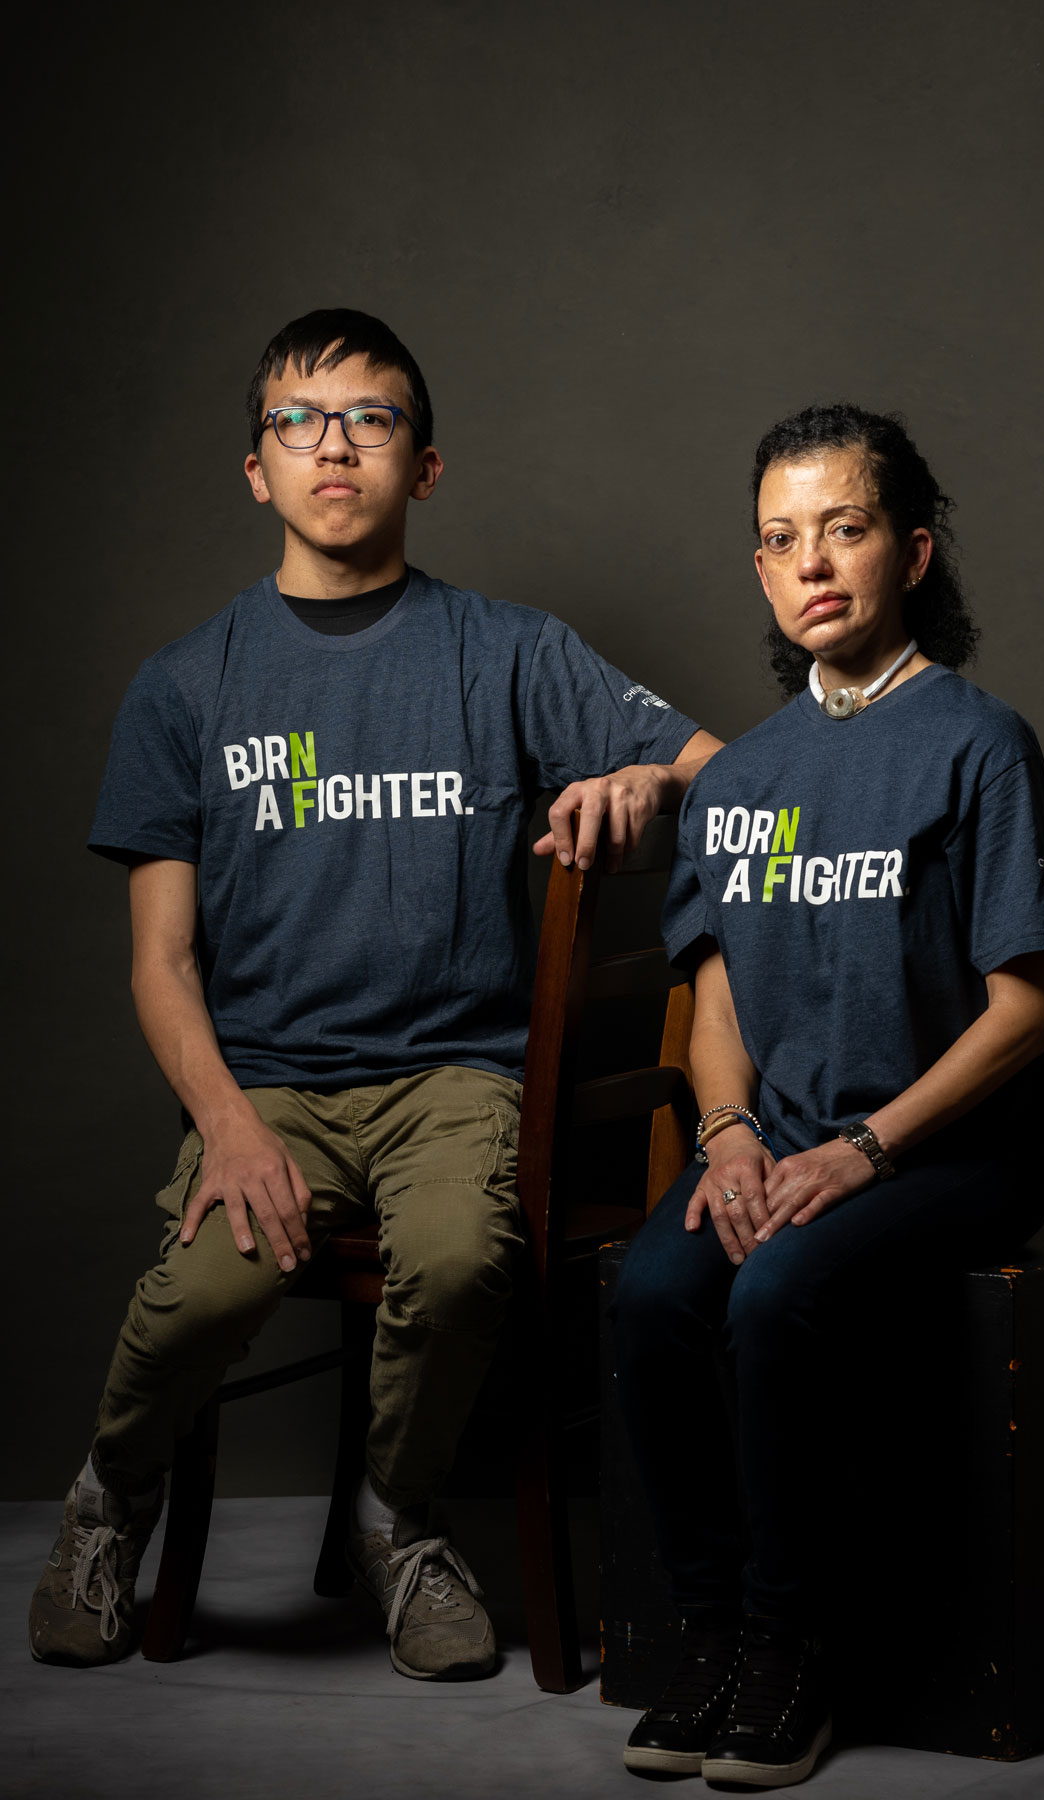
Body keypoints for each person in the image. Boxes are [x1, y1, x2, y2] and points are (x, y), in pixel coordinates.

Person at [29, 308, 720, 1681]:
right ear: (255, 470)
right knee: (197, 1302)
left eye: (371, 418)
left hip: (456, 1079)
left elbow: (734, 771)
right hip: (267, 1085)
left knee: (466, 1261)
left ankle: (398, 1522)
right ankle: (110, 1501)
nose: (333, 444)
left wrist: (652, 777)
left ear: (427, 464)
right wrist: (227, 1126)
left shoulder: (509, 651)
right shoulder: (185, 688)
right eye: (299, 419)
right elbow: (160, 961)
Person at [611, 404, 1044, 1788]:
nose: (813, 561)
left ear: (912, 550)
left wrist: (864, 1150)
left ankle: (790, 1647)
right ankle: (709, 1636)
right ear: (759, 572)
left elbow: (1024, 1013)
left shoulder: (979, 743)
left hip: (953, 1150)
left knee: (772, 1294)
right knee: (649, 1292)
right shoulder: (737, 778)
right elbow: (721, 1005)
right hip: (784, 1142)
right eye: (780, 538)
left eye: (846, 528)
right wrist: (733, 1133)